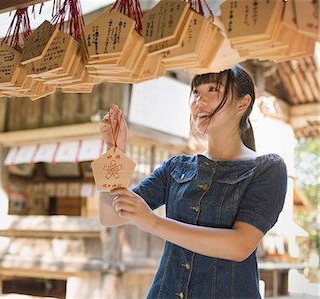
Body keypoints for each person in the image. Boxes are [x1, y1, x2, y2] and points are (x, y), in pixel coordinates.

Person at [98, 66, 288, 299]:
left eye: (213, 89)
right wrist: (114, 151)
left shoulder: (267, 168)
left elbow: (239, 245)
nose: (200, 100)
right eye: (196, 92)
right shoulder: (175, 167)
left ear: (243, 104)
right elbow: (110, 216)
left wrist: (153, 223)